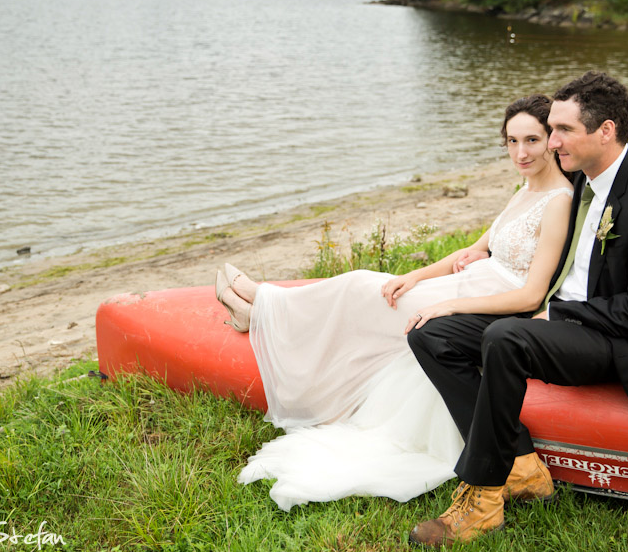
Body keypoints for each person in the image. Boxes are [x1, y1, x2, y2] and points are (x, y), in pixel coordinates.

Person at [213, 94, 573, 511]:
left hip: (491, 300)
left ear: (551, 139)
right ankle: (262, 309)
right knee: (368, 286)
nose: (520, 152)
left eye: (531, 140)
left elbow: (531, 294)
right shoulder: (525, 189)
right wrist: (415, 275)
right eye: (511, 141)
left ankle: (263, 307)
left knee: (357, 289)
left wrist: (452, 307)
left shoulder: (559, 201)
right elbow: (474, 249)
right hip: (469, 282)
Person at [406, 71, 628, 549]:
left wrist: (559, 317)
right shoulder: (577, 178)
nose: (551, 141)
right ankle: (523, 464)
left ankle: (482, 497)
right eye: (551, 129)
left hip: (618, 341)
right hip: (557, 315)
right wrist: (480, 253)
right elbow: (527, 215)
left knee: (506, 337)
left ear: (605, 131)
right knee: (431, 334)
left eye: (563, 130)